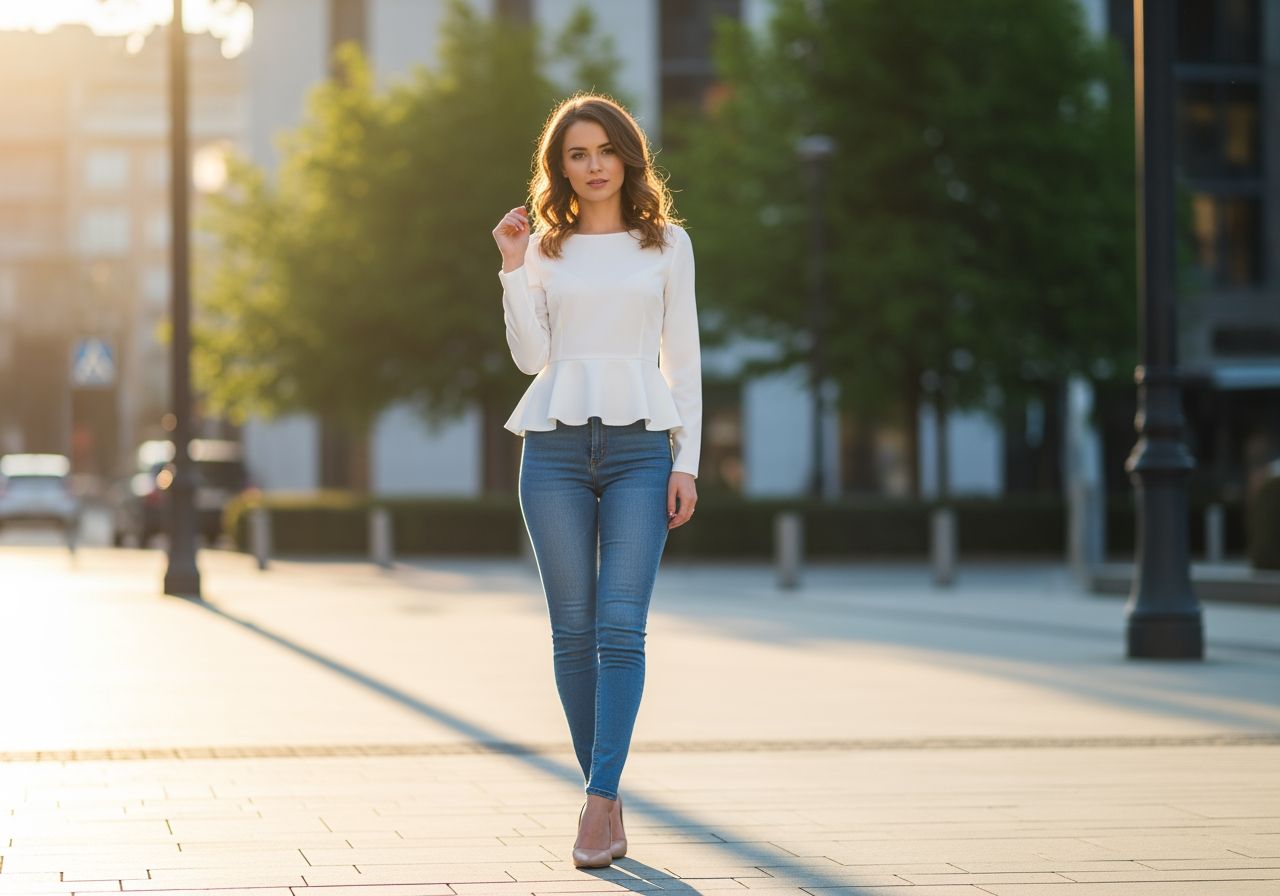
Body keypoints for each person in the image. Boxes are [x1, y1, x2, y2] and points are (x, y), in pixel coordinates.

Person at [491, 92, 701, 869]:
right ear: (561, 167)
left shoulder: (668, 245)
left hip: (643, 448)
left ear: (628, 156)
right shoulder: (543, 250)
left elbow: (685, 359)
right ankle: (604, 796)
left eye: (604, 150)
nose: (593, 166)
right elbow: (526, 357)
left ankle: (597, 802)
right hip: (551, 450)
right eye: (576, 154)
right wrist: (513, 268)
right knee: (573, 633)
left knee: (621, 627)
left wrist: (689, 461)